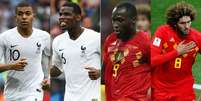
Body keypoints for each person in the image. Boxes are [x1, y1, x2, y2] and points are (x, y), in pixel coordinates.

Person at [0, 2, 51, 101]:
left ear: (33, 16)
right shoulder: (4, 37)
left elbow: (53, 58)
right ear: (15, 17)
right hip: (11, 92)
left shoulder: (44, 36)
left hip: (34, 90)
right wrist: (12, 66)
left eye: (28, 13)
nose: (24, 17)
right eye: (20, 14)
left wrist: (49, 78)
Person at [50, 2, 101, 101]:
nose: (62, 17)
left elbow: (110, 65)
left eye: (67, 14)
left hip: (92, 97)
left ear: (78, 17)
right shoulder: (57, 41)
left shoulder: (95, 38)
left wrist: (100, 72)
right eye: (60, 14)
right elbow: (57, 69)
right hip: (70, 98)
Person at [151, 2, 201, 100]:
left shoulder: (197, 38)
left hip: (184, 90)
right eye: (182, 23)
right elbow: (152, 60)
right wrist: (176, 52)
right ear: (174, 23)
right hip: (161, 89)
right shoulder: (162, 32)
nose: (187, 26)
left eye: (189, 22)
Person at [103, 2, 151, 101]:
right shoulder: (110, 40)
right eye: (114, 20)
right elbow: (105, 72)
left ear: (133, 20)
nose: (115, 25)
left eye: (120, 20)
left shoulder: (145, 41)